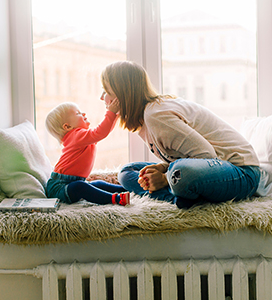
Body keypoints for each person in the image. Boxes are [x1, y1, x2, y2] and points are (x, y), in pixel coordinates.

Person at [100, 60, 262, 209]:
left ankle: (177, 192)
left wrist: (164, 177)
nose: (102, 97)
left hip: (241, 173)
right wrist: (163, 169)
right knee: (128, 172)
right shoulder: (145, 119)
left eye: (106, 91)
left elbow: (207, 155)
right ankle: (178, 198)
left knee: (180, 172)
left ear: (123, 95)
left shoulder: (156, 115)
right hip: (206, 169)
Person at [45, 100, 130, 206]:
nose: (83, 113)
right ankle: (115, 199)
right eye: (78, 113)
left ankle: (126, 189)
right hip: (59, 187)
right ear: (67, 127)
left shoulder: (81, 137)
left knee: (97, 184)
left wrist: (116, 115)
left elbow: (104, 132)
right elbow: (100, 132)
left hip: (72, 182)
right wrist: (111, 113)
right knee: (80, 187)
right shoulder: (76, 136)